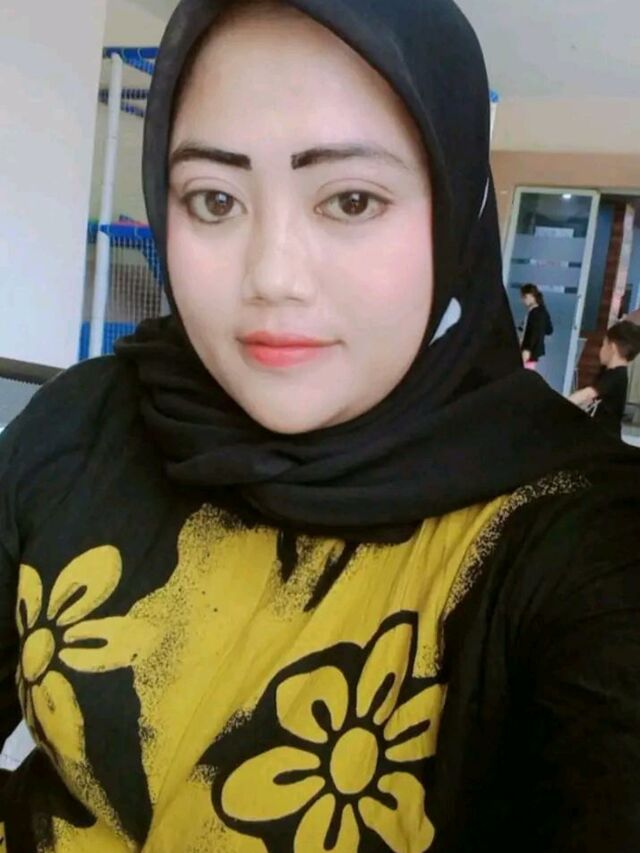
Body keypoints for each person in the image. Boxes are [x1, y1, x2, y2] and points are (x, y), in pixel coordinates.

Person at [1, 0, 639, 850]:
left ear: (455, 214)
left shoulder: (581, 541)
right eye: (215, 199)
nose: (272, 276)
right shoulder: (86, 420)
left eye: (350, 199)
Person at [569, 320, 640, 436]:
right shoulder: (608, 372)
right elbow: (590, 401)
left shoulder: (617, 375)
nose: (600, 350)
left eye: (603, 345)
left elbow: (587, 394)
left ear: (612, 348)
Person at [519, 283, 553, 369]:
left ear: (532, 296)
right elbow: (549, 330)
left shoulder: (534, 313)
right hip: (533, 352)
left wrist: (527, 349)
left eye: (524, 297)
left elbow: (532, 334)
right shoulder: (543, 311)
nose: (523, 300)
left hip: (528, 351)